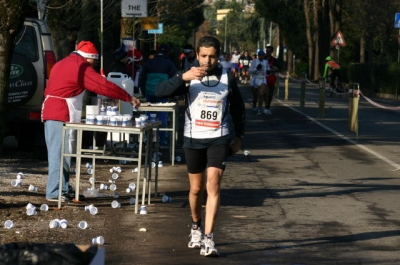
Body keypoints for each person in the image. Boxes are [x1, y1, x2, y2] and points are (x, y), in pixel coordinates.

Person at [155, 36, 245, 257]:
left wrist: (239, 137)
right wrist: (182, 77)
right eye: (203, 56)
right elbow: (159, 91)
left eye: (212, 56)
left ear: (219, 55)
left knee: (212, 185)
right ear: (197, 55)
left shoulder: (227, 77)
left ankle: (209, 238)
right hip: (194, 139)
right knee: (195, 189)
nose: (207, 60)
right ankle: (196, 226)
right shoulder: (189, 76)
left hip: (219, 138)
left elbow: (238, 109)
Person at [41, 40, 140, 202]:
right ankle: (54, 192)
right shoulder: (81, 67)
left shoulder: (63, 63)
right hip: (61, 112)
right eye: (94, 61)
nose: (94, 65)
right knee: (59, 154)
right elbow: (103, 86)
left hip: (53, 111)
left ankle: (63, 188)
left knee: (63, 153)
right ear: (89, 57)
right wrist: (127, 97)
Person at [139, 44, 177, 147]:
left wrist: (143, 91)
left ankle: (148, 139)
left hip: (150, 93)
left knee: (149, 117)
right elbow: (175, 80)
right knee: (162, 117)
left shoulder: (148, 63)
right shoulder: (169, 63)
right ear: (168, 53)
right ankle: (161, 141)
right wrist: (173, 94)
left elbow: (141, 79)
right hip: (163, 94)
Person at [249, 50, 269, 115]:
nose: (261, 57)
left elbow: (268, 70)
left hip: (263, 79)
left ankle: (259, 109)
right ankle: (254, 106)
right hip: (255, 79)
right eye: (260, 56)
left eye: (262, 56)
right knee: (255, 96)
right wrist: (256, 69)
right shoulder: (254, 61)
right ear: (258, 56)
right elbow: (250, 71)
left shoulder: (266, 62)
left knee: (261, 94)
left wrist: (269, 71)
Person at [263, 45, 280, 115]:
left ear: (272, 52)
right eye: (266, 51)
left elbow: (279, 68)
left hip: (271, 77)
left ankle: (267, 107)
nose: (267, 52)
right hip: (263, 77)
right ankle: (266, 105)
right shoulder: (263, 59)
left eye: (269, 51)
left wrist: (274, 69)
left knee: (270, 93)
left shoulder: (274, 60)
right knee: (264, 92)